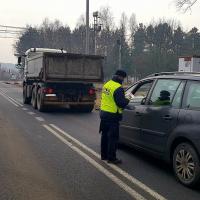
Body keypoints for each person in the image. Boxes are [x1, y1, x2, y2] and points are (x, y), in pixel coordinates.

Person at [99, 69, 130, 164]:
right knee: (113, 138)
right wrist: (128, 99)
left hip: (103, 114)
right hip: (112, 116)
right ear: (120, 77)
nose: (123, 80)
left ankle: (104, 155)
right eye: (123, 78)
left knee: (105, 136)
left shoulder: (107, 84)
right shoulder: (118, 88)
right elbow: (121, 103)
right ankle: (112, 158)